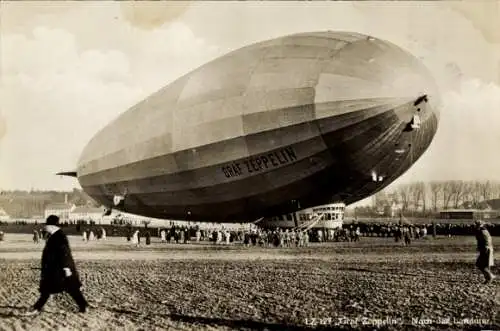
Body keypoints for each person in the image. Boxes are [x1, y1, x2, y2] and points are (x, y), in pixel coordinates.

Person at [26, 215, 89, 315]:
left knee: (61, 289)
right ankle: (83, 306)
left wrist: (66, 267)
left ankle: (36, 308)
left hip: (59, 269)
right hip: (55, 268)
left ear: (51, 227)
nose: (45, 232)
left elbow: (65, 253)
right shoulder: (56, 235)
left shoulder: (59, 237)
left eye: (46, 230)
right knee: (68, 289)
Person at [475, 220, 496, 284]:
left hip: (485, 249)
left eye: (477, 225)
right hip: (488, 249)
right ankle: (488, 277)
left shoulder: (480, 232)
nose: (476, 226)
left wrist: (481, 248)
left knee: (480, 265)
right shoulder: (485, 231)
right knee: (485, 265)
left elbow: (482, 241)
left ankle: (490, 277)